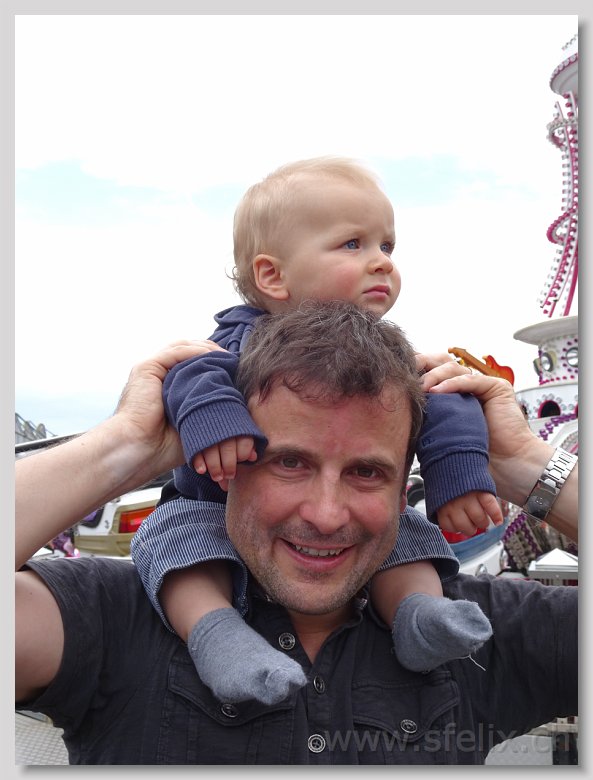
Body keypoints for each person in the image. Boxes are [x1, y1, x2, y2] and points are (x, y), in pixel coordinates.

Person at [15, 302, 577, 765]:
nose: (327, 515)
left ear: (404, 484)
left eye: (367, 472)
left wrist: (526, 464)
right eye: (288, 463)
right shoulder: (113, 617)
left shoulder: (472, 632)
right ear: (226, 462)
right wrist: (127, 446)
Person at [130, 157, 502, 703]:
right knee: (172, 540)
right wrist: (215, 423)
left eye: (387, 246)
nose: (381, 261)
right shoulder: (241, 340)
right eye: (353, 244)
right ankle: (216, 635)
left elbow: (444, 393)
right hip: (213, 502)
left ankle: (419, 614)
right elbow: (190, 373)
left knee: (403, 532)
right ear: (272, 275)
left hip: (343, 532)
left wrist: (458, 470)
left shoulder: (385, 354)